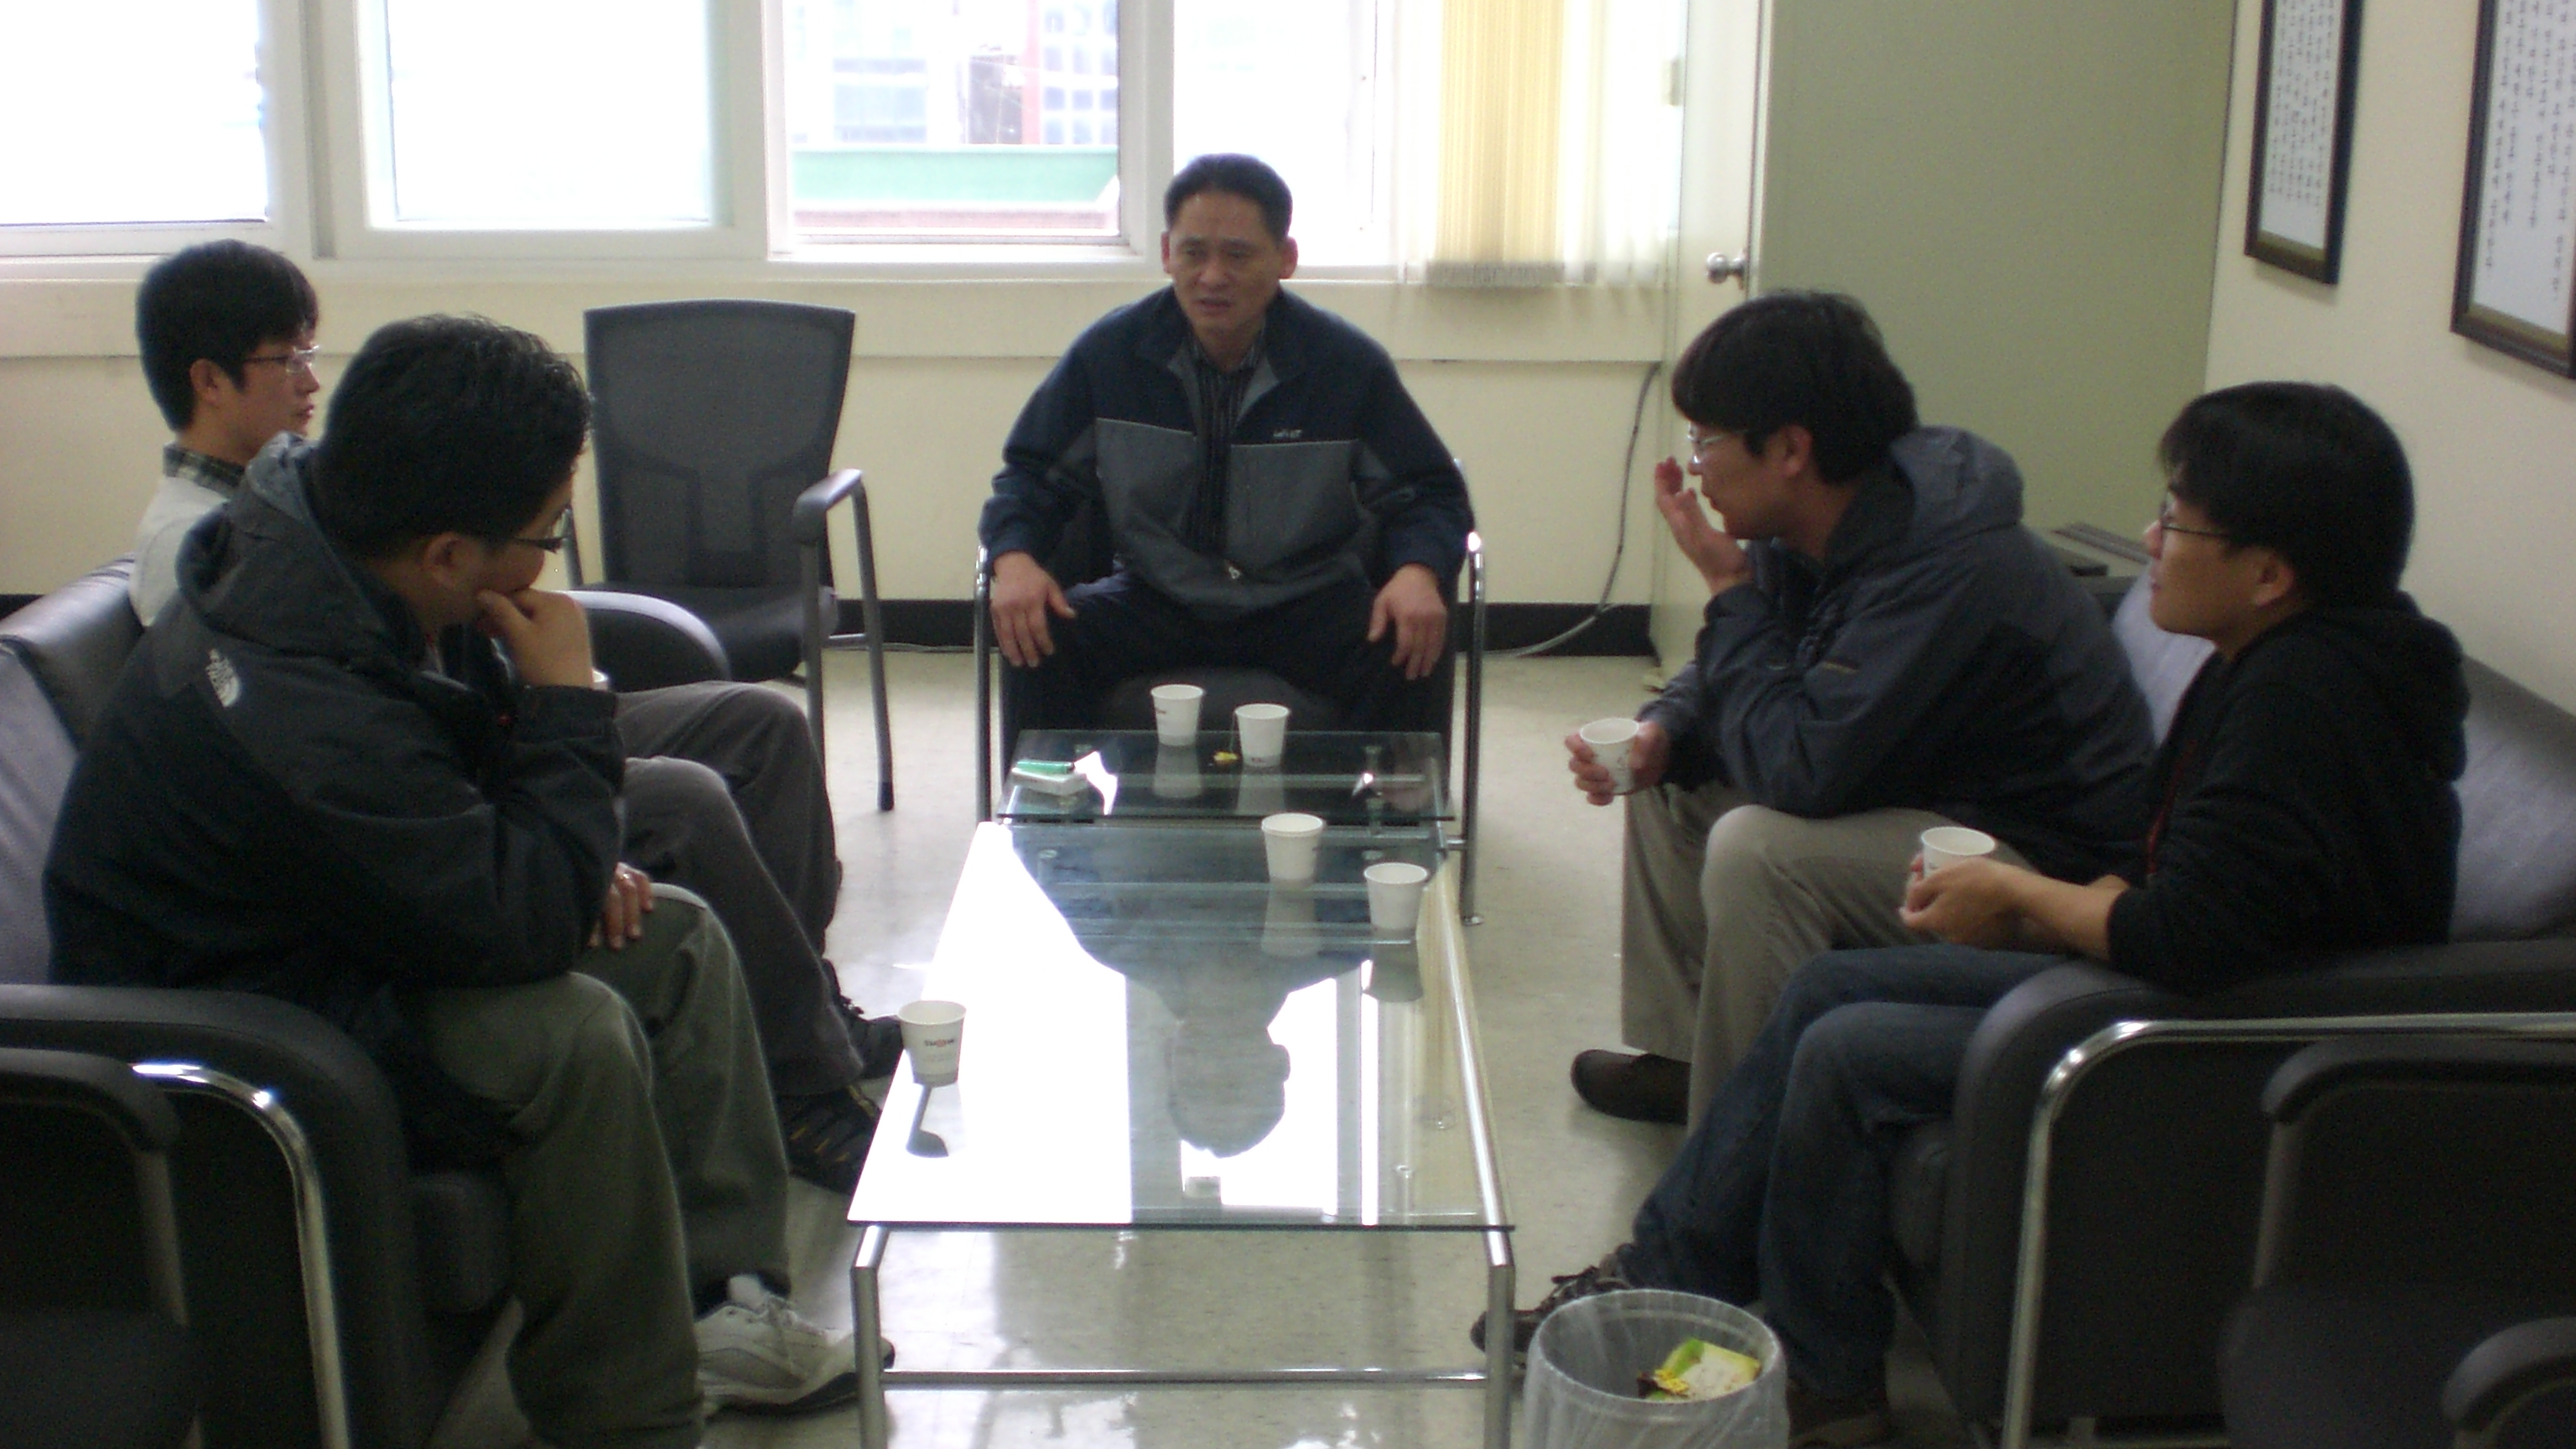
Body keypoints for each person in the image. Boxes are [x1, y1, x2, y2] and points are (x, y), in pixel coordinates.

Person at [1498, 382, 2469, 1446]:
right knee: (1824, 990)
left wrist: (2018, 896)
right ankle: (1679, 1275)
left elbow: (2191, 935)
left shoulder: (2304, 703)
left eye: (2177, 523)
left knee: (1850, 1048)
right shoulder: (2281, 660)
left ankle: (1809, 1365)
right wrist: (2052, 913)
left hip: (2212, 1032)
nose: (2150, 542)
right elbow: (2202, 885)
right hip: (2186, 976)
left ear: (2270, 574)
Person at [49, 315, 880, 1446]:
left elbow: (453, 774)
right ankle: (627, 1415)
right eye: (546, 534)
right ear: (448, 553)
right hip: (252, 1005)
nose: (548, 559)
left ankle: (719, 1304)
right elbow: (508, 920)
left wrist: (563, 847)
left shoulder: (341, 548)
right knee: (571, 1034)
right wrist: (568, 704)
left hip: (347, 920)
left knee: (677, 937)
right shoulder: (301, 705)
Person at [127, 241, 894, 1189]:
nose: (309, 381)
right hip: (332, 942)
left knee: (758, 725)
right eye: (285, 359)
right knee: (685, 809)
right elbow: (423, 815)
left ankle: (805, 1017)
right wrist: (564, 714)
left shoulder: (325, 503)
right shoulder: (236, 593)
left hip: (447, 787)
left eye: (312, 354)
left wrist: (556, 724)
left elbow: (437, 715)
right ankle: (800, 1083)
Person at [1565, 293, 2152, 1127]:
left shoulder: (1940, 561)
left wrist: (1727, 587)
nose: (1695, 467)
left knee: (1761, 851)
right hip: (1913, 790)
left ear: (1790, 449)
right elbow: (1754, 669)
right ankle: (1687, 1059)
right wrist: (1668, 729)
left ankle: (1735, 1143)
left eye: (1706, 441)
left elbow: (1801, 769)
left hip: (2034, 861)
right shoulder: (1815, 523)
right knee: (1668, 775)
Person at [979, 153, 1472, 735]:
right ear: (1167, 253)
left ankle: (1384, 795)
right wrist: (1014, 560)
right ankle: (1054, 795)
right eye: (1194, 253)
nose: (1212, 277)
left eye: (1237, 255)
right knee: (1036, 632)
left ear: (1286, 259)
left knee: (1405, 640)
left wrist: (1417, 572)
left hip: (1305, 600)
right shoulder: (1110, 356)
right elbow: (1032, 475)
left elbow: (1429, 492)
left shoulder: (1343, 365)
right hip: (1155, 596)